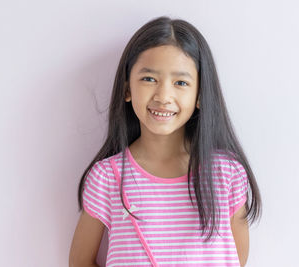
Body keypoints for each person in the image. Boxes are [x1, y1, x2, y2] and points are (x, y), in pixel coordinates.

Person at [69, 15, 262, 267]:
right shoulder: (107, 177)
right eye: (149, 79)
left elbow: (236, 259)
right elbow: (79, 261)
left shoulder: (226, 174)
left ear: (200, 95)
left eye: (181, 83)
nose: (163, 96)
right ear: (127, 89)